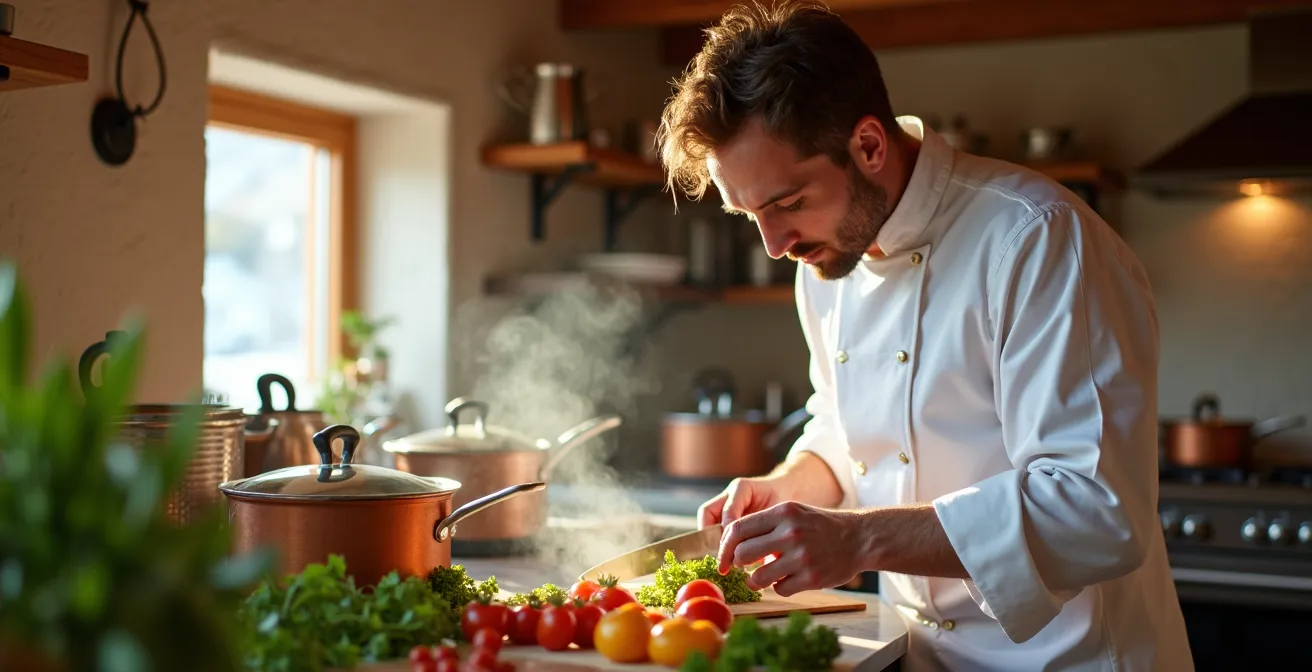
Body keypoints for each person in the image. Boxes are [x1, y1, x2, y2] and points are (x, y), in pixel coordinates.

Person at [657, 2, 1193, 670]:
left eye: (788, 203)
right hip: (921, 656)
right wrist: (796, 480)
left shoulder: (1038, 239)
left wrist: (859, 541)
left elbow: (1093, 510)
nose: (774, 245)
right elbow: (846, 425)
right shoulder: (825, 262)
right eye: (749, 215)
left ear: (869, 146)